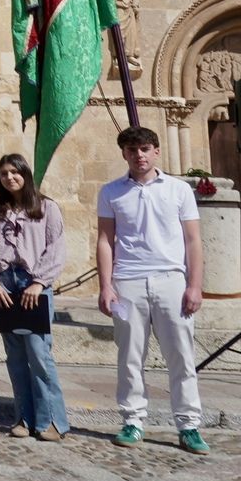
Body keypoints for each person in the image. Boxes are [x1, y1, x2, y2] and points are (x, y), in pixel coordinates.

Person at [97, 126, 209, 455]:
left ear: (156, 151)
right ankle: (133, 420)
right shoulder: (111, 191)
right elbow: (106, 240)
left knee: (182, 356)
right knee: (130, 356)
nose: (139, 155)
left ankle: (189, 425)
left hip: (170, 279)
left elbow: (193, 240)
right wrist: (106, 285)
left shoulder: (178, 190)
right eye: (132, 150)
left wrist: (195, 285)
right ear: (124, 154)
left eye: (145, 148)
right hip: (128, 281)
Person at [0, 153, 68, 442]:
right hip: (4, 285)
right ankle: (23, 417)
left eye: (15, 172)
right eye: (4, 173)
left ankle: (51, 420)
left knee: (39, 355)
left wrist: (40, 282)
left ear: (25, 174)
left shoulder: (46, 207)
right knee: (15, 356)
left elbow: (56, 247)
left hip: (33, 284)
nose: (9, 177)